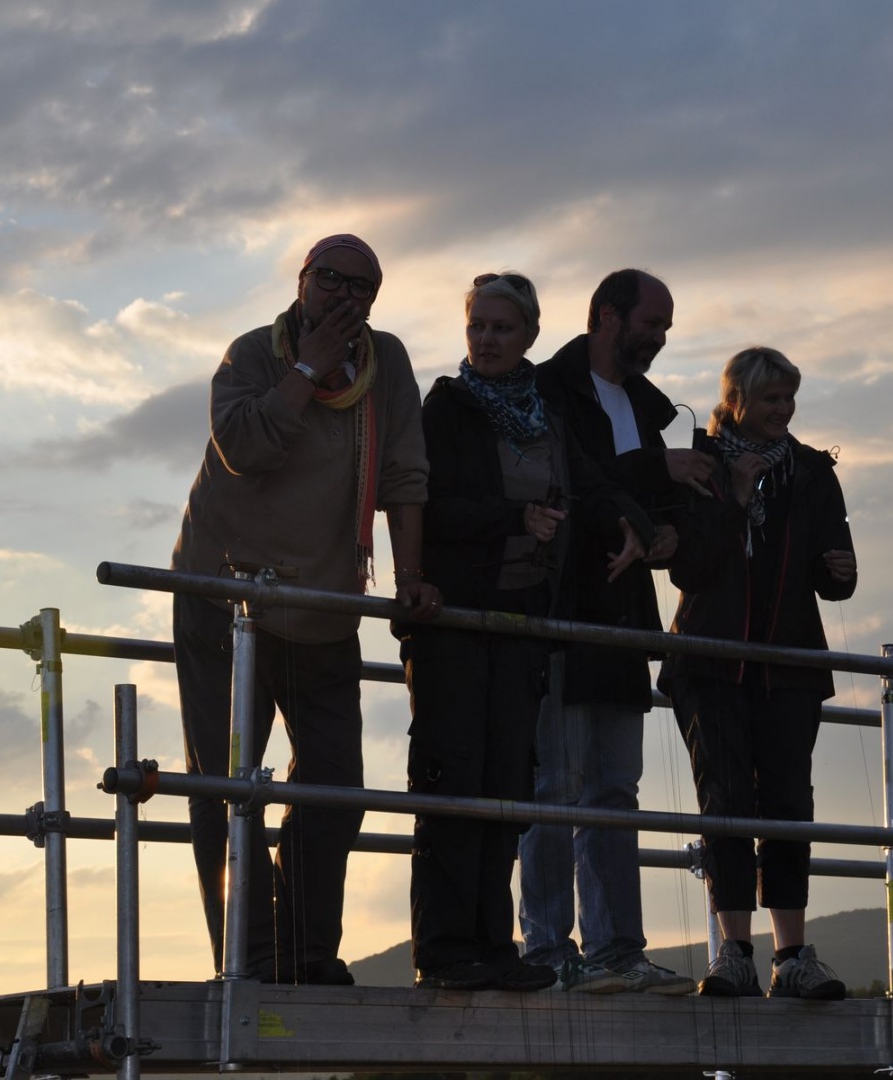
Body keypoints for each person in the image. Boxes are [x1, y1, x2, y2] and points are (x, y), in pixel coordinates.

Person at [171, 233, 441, 985]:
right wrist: (308, 368)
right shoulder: (252, 354)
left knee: (334, 787)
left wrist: (411, 574)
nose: (345, 296)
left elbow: (405, 475)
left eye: (361, 287)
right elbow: (245, 449)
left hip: (322, 605)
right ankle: (251, 959)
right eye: (331, 279)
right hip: (224, 600)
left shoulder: (387, 364)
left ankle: (306, 952)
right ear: (302, 281)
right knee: (227, 788)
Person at [403, 272, 653, 991]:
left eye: (501, 328)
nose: (485, 339)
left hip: (523, 629)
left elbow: (589, 485)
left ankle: (494, 949)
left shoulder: (548, 413)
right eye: (477, 325)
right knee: (453, 787)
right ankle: (445, 952)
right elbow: (427, 507)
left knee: (508, 789)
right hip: (456, 625)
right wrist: (512, 519)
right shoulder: (445, 408)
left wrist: (632, 523)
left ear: (530, 336)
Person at [518, 269, 712, 995]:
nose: (659, 339)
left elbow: (644, 499)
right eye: (651, 324)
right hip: (561, 611)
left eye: (665, 328)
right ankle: (546, 949)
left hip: (624, 618)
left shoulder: (644, 406)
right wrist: (656, 472)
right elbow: (570, 482)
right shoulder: (544, 390)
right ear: (606, 316)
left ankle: (615, 951)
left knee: (614, 790)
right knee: (554, 785)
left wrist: (666, 533)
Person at [659, 346, 858, 1000]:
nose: (783, 409)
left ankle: (792, 956)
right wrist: (737, 495)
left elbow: (835, 575)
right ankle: (735, 953)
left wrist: (840, 571)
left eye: (789, 397)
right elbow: (689, 567)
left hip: (789, 666)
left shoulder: (812, 470)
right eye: (771, 398)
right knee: (725, 803)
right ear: (736, 399)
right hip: (709, 662)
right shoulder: (698, 465)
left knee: (788, 804)